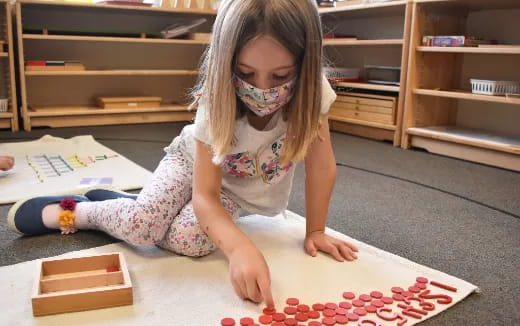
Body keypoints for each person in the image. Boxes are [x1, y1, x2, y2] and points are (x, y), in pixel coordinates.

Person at [8, 0, 358, 308]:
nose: (262, 89)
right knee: (143, 228)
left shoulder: (314, 94)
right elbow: (205, 195)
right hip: (191, 166)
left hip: (232, 192)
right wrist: (238, 249)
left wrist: (315, 230)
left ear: (304, 66)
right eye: (246, 73)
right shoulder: (216, 96)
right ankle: (78, 211)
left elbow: (321, 166)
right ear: (227, 63)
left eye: (281, 75)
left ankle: (135, 204)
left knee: (191, 241)